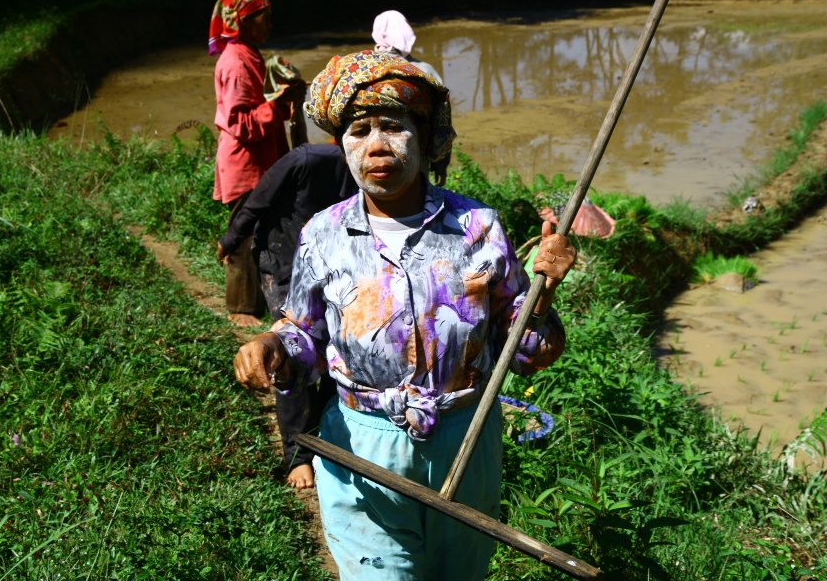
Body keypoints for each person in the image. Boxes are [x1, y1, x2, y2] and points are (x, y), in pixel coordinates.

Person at [232, 50, 576, 580]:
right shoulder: (323, 234)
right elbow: (303, 331)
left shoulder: (477, 228)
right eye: (359, 130)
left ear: (425, 136)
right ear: (342, 144)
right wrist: (274, 346)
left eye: (393, 127)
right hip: (361, 445)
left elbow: (527, 352)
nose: (375, 146)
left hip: (466, 436)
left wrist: (545, 295)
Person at [217, 141, 357, 488]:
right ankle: (297, 454)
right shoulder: (303, 159)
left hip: (332, 266)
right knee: (288, 356)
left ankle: (325, 438)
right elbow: (259, 201)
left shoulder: (367, 166)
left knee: (334, 354)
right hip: (282, 260)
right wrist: (233, 238)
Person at [208, 0, 304, 327]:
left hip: (261, 159)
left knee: (264, 230)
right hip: (245, 161)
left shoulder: (248, 54)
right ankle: (239, 308)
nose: (270, 24)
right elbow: (239, 123)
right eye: (266, 18)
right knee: (242, 233)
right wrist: (277, 106)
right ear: (246, 21)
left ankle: (259, 301)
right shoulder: (235, 63)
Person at [372, 9, 444, 83]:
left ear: (377, 33)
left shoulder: (365, 68)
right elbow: (443, 92)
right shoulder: (424, 70)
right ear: (407, 31)